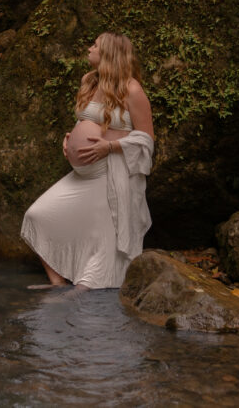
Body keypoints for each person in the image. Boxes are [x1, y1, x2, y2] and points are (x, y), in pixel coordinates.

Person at [21, 32, 155, 290]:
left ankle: (86, 290)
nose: (89, 48)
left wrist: (111, 146)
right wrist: (70, 139)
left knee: (103, 241)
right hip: (82, 174)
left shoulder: (132, 89)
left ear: (109, 55)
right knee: (36, 216)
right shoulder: (89, 81)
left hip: (109, 174)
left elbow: (147, 139)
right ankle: (58, 283)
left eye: (95, 45)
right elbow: (88, 120)